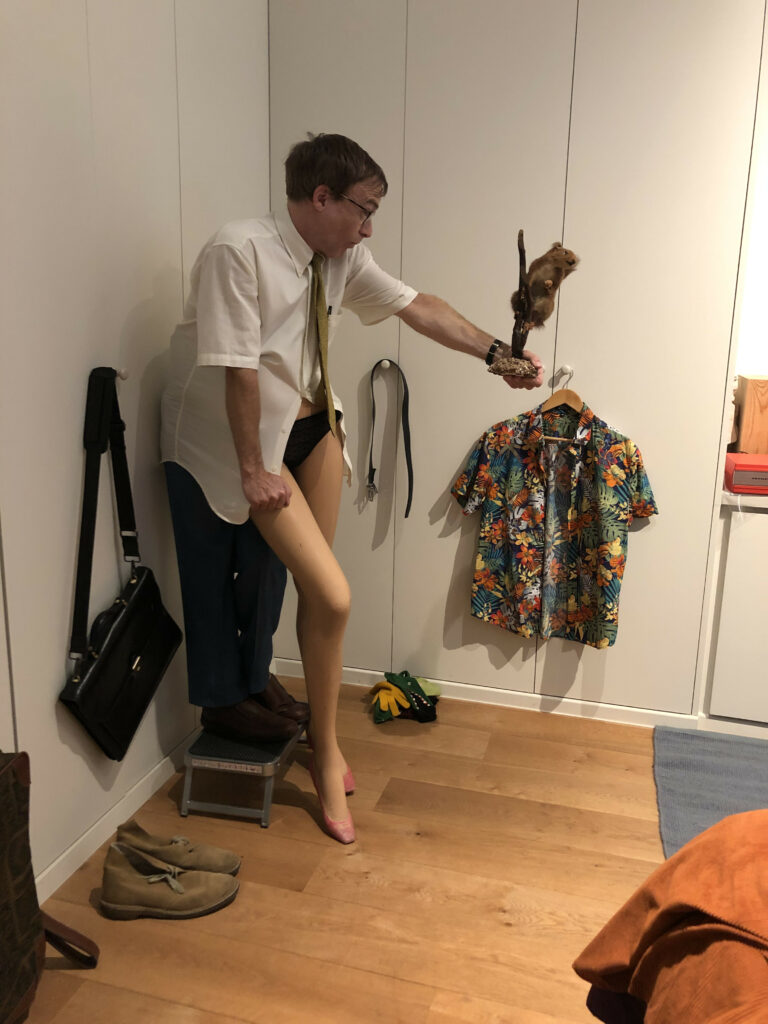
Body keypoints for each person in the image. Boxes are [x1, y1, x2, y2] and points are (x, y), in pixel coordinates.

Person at [161, 133, 543, 844]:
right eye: (363, 210)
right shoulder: (238, 251)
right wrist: (253, 468)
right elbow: (237, 369)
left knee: (310, 589)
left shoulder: (338, 258)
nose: (368, 229)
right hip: (236, 439)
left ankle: (317, 738)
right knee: (331, 594)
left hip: (310, 424)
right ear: (321, 198)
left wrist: (497, 354)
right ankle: (323, 748)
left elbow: (417, 306)